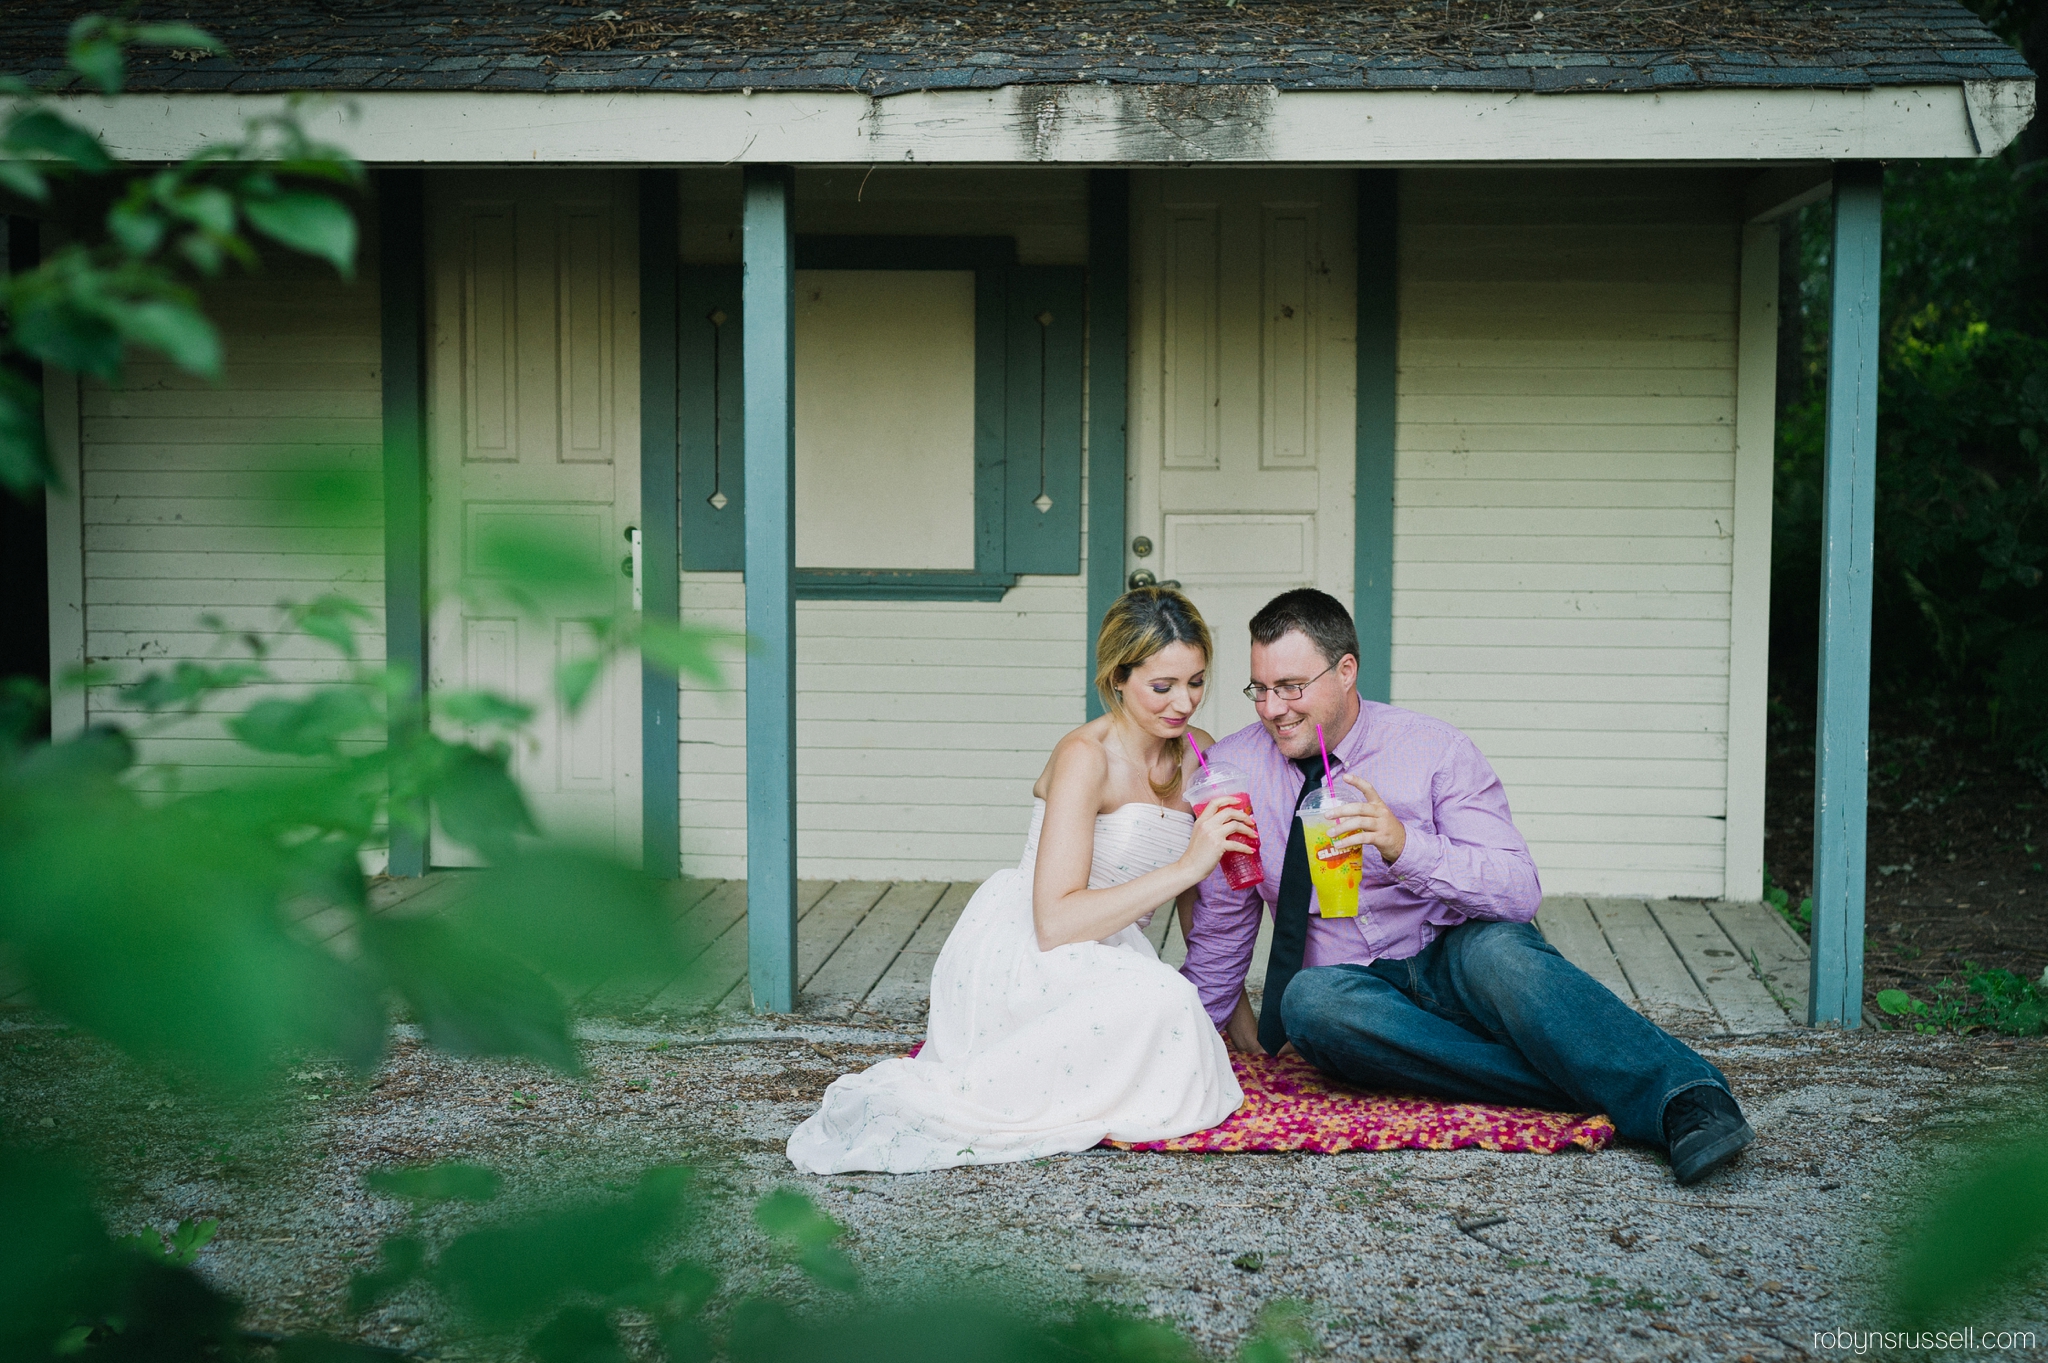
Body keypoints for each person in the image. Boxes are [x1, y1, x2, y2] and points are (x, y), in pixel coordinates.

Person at [1181, 588, 1755, 1186]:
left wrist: (1405, 847)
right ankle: (1591, 1079)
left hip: (1458, 960)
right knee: (1310, 1004)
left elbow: (1517, 891)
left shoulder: (1433, 750)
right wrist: (1181, 1041)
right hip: (1357, 994)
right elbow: (1225, 923)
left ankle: (1689, 1099)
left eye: (1292, 687)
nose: (1273, 708)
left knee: (1502, 953)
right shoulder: (1235, 769)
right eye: (1259, 689)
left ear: (1345, 670)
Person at [787, 588, 1251, 1174]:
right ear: (1118, 677)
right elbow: (1055, 921)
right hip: (1032, 942)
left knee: (1177, 1008)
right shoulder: (1086, 756)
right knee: (1165, 1001)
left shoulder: (1199, 756)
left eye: (1197, 682)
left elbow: (1197, 905)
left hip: (1114, 944)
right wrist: (1189, 864)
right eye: (1163, 687)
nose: (1184, 703)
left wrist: (1235, 1006)